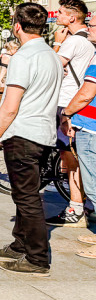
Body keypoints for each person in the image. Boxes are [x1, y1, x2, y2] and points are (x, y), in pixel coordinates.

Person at [0, 2, 61, 276]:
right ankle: (20, 244)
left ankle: (37, 257)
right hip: (42, 132)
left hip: (23, 133)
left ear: (17, 26)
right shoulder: (51, 54)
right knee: (25, 194)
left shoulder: (23, 57)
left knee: (27, 197)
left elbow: (10, 104)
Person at [48, 0, 95, 227]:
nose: (57, 16)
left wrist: (57, 43)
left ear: (72, 18)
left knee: (70, 157)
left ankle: (76, 207)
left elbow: (51, 66)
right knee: (74, 157)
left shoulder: (74, 41)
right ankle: (82, 204)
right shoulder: (88, 41)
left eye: (62, 13)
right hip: (78, 103)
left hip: (67, 102)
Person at [61, 58, 96, 257]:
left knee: (93, 185)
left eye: (92, 25)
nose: (89, 27)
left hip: (91, 130)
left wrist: (67, 112)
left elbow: (86, 94)